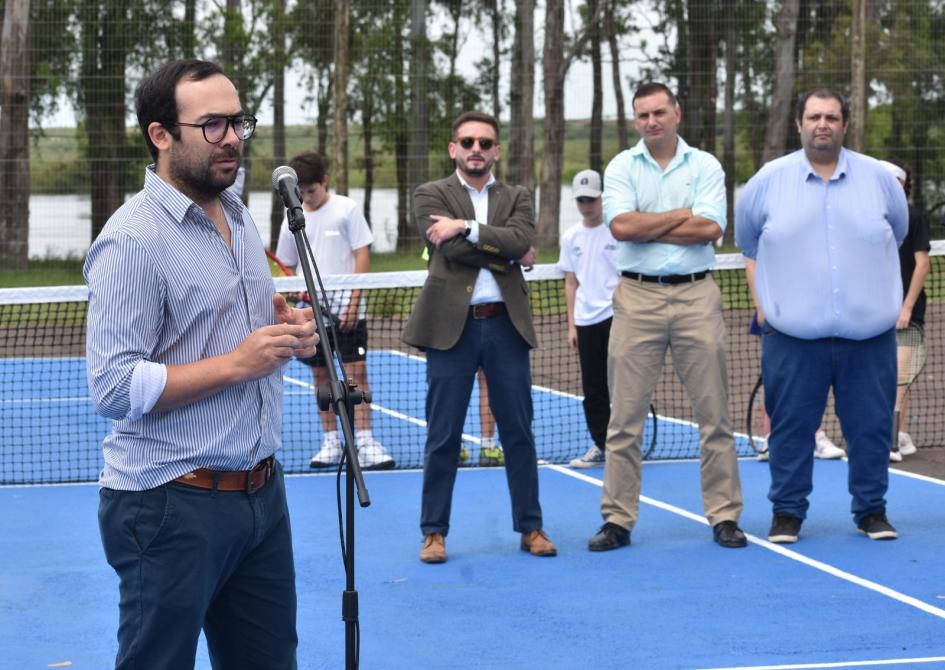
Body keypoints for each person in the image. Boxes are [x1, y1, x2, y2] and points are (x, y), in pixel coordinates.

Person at [84, 59, 317, 669]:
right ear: (161, 135)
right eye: (213, 125)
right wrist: (237, 364)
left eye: (240, 121)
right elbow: (112, 385)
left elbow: (238, 320)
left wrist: (287, 331)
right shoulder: (133, 240)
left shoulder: (237, 212)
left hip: (263, 496)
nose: (235, 137)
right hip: (170, 505)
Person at [736, 88, 908, 544]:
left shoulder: (880, 181)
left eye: (832, 116)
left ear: (845, 124)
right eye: (814, 116)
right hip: (792, 339)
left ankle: (872, 511)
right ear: (799, 124)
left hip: (868, 340)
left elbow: (900, 230)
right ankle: (787, 514)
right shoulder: (767, 181)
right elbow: (749, 242)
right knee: (791, 431)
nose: (823, 124)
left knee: (871, 430)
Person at [588, 82, 747, 552]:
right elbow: (621, 228)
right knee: (624, 420)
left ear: (676, 113)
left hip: (698, 297)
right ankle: (617, 520)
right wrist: (682, 216)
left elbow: (711, 228)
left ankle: (725, 516)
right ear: (636, 120)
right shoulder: (620, 166)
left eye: (659, 112)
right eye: (643, 115)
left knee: (715, 415)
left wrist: (650, 223)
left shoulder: (705, 165)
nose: (651, 121)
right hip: (636, 299)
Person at [403, 110, 556, 563]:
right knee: (443, 435)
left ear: (496, 151)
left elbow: (522, 238)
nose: (476, 149)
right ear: (454, 149)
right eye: (467, 142)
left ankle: (531, 528)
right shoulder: (430, 193)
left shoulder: (518, 195)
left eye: (485, 143)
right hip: (452, 330)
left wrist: (466, 227)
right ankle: (434, 532)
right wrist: (506, 250)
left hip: (506, 328)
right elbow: (451, 248)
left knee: (519, 434)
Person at [274, 151, 394, 471]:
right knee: (321, 377)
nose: (306, 198)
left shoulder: (346, 209)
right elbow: (286, 264)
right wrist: (294, 292)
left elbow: (361, 255)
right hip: (311, 315)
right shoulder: (292, 217)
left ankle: (365, 440)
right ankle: (331, 441)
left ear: (324, 182)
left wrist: (354, 303)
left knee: (356, 375)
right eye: (301, 193)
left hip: (347, 313)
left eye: (311, 190)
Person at [745, 259, 846, 461]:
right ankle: (770, 437)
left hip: (812, 307)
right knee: (774, 377)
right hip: (776, 308)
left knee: (814, 373)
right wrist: (761, 306)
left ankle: (815, 436)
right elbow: (751, 261)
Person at [557, 169, 619, 468]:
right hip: (585, 322)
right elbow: (571, 282)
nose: (586, 205)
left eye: (591, 199)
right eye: (581, 200)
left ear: (601, 197)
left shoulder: (617, 231)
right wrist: (571, 324)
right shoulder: (571, 237)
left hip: (617, 318)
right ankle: (601, 444)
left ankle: (623, 444)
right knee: (593, 388)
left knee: (622, 386)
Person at [878, 157, 931, 462]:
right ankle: (896, 435)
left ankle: (891, 441)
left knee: (898, 376)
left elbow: (922, 264)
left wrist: (906, 307)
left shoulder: (913, 217)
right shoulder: (872, 218)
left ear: (901, 185)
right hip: (874, 312)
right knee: (882, 375)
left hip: (906, 313)